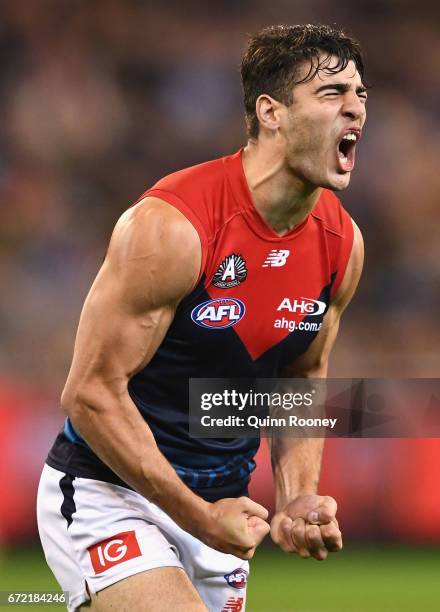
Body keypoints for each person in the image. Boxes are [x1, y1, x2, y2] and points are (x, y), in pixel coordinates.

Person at [37, 23, 367, 612]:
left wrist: (297, 497)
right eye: (332, 93)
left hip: (223, 511)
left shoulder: (342, 243)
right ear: (271, 112)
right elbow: (89, 392)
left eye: (361, 94)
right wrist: (196, 515)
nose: (356, 109)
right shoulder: (173, 225)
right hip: (110, 494)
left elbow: (299, 379)